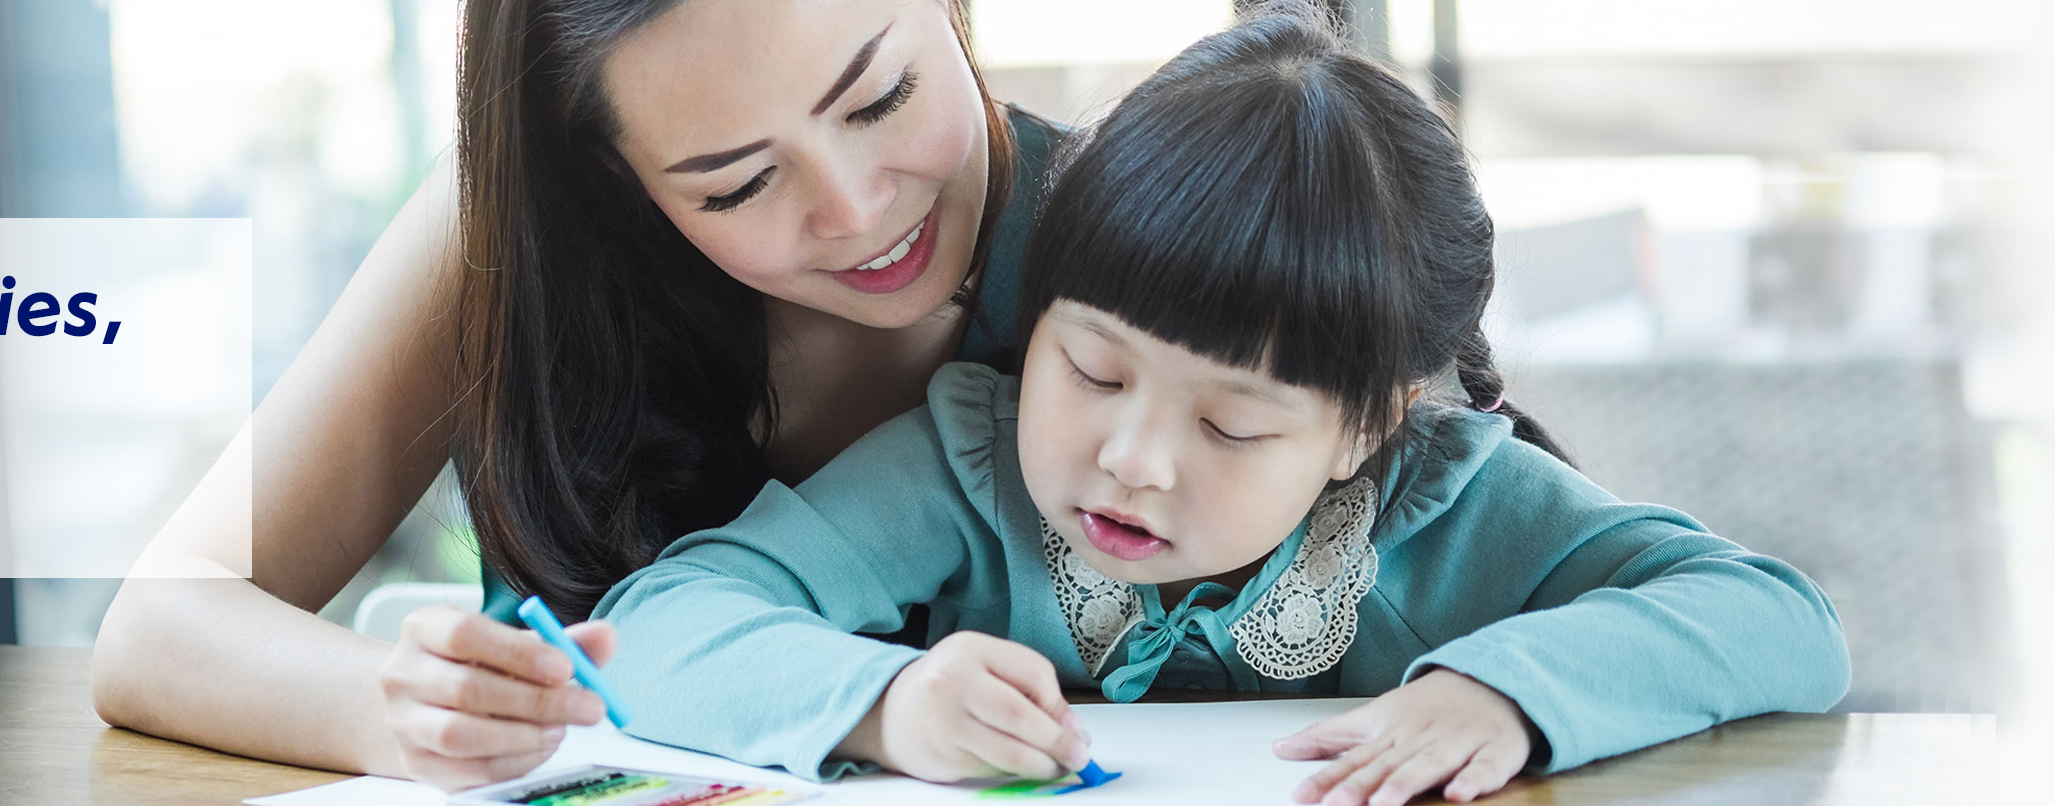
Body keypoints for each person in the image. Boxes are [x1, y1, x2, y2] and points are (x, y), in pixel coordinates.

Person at [586, 8, 1851, 806]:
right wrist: (886, 703)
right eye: (1090, 372)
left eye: (1234, 426)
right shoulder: (966, 466)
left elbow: (1776, 620)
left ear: (1365, 424)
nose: (1128, 459)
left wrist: (1505, 691)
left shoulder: (1443, 499)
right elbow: (657, 629)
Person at [92, 0, 1071, 789]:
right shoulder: (501, 238)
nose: (857, 208)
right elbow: (163, 622)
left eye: (878, 97)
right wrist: (399, 706)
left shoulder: (1151, 234)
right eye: (735, 185)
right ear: (608, 174)